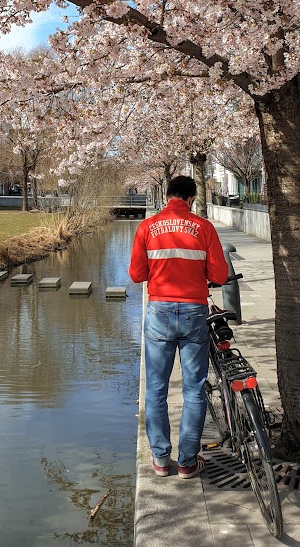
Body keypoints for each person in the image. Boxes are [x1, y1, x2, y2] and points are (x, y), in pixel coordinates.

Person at [129, 175, 228, 479]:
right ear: (192, 199)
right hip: (193, 311)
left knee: (156, 389)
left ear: (168, 195)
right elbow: (220, 275)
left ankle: (160, 460)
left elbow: (136, 274)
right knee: (194, 389)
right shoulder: (204, 227)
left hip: (159, 311)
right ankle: (187, 461)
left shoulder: (147, 227)